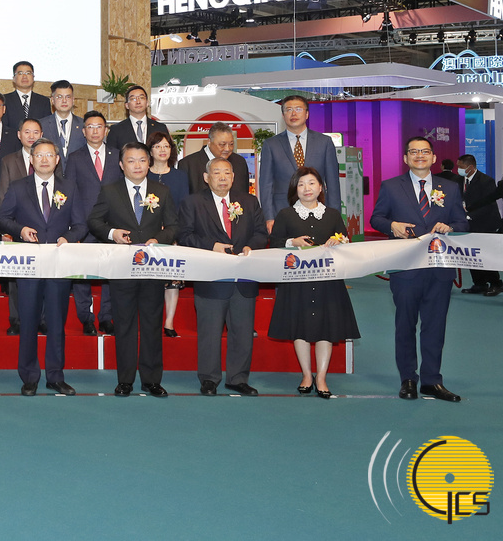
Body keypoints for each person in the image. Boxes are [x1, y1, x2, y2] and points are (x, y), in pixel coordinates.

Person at [370, 136, 468, 402]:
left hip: (439, 269)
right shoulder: (391, 186)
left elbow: (462, 223)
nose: (419, 155)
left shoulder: (450, 188)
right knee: (405, 325)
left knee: (435, 326)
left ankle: (432, 380)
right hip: (405, 269)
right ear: (406, 158)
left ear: (433, 157)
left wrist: (451, 227)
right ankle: (408, 379)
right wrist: (392, 226)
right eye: (414, 152)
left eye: (425, 151)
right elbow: (377, 218)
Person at [88, 141, 178, 398]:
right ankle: (125, 380)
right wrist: (112, 233)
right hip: (122, 270)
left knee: (152, 325)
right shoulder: (110, 191)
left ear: (149, 163)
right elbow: (93, 221)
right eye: (131, 160)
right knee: (125, 325)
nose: (137, 165)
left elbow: (174, 225)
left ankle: (152, 380)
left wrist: (159, 238)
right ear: (121, 164)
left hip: (152, 269)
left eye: (142, 160)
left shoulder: (162, 191)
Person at [0, 138, 87, 395]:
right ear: (31, 160)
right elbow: (3, 218)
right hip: (28, 267)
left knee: (57, 323)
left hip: (59, 266)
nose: (44, 159)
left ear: (57, 159)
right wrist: (21, 230)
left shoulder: (69, 187)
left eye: (49, 155)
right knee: (28, 322)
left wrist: (68, 238)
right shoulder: (18, 187)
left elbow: (81, 225)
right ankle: (29, 376)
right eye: (39, 155)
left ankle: (55, 376)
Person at [267, 166, 360, 399]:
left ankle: (321, 377)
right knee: (299, 327)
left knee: (325, 328)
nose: (306, 188)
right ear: (294, 189)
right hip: (296, 282)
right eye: (301, 184)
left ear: (320, 188)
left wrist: (339, 241)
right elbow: (274, 243)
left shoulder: (332, 215)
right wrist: (292, 242)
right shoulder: (285, 214)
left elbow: (345, 239)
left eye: (311, 183)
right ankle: (307, 375)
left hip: (327, 281)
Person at [178, 158, 268, 396]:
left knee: (242, 332)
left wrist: (250, 246)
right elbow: (185, 236)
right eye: (216, 173)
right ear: (206, 178)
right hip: (211, 278)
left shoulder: (249, 201)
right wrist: (212, 246)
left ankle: (238, 378)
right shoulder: (193, 202)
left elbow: (261, 232)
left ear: (233, 177)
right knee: (209, 333)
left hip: (243, 278)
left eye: (227, 173)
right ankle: (209, 379)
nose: (222, 177)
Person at [66, 110, 121, 336]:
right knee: (82, 274)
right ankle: (86, 318)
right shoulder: (75, 157)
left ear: (106, 130)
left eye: (99, 126)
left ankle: (106, 317)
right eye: (90, 127)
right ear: (83, 131)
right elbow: (70, 192)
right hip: (84, 224)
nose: (95, 131)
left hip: (111, 225)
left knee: (110, 273)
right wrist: (74, 224)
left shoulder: (118, 155)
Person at [257, 95, 340, 232]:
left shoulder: (324, 142)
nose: (293, 113)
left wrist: (334, 215)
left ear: (307, 114)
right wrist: (269, 217)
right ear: (283, 115)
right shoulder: (271, 145)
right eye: (288, 110)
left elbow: (333, 184)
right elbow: (266, 184)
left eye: (298, 109)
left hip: (318, 211)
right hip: (282, 211)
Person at [0, 118, 49, 336]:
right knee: (16, 277)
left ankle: (42, 319)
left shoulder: (50, 159)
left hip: (45, 228)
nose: (31, 136)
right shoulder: (9, 160)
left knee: (44, 275)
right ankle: (17, 320)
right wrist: (6, 230)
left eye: (35, 132)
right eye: (27, 132)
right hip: (17, 228)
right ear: (19, 135)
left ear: (41, 134)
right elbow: (3, 194)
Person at [146, 131, 190, 336]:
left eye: (166, 146)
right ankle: (152, 321)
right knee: (151, 279)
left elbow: (184, 206)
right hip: (148, 234)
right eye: (157, 146)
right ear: (150, 150)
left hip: (173, 232)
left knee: (173, 279)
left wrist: (174, 232)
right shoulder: (143, 174)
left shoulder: (180, 176)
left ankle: (169, 322)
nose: (162, 150)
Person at [458, 154, 502, 295]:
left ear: (470, 167)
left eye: (461, 167)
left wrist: (469, 215)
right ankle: (479, 284)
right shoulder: (459, 180)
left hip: (486, 223)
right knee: (471, 255)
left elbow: (488, 204)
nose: (458, 169)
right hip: (468, 224)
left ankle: (496, 283)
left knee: (486, 254)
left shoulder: (486, 180)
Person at [179, 121, 250, 195]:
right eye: (222, 144)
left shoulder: (239, 162)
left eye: (231, 144)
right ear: (209, 142)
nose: (227, 149)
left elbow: (244, 195)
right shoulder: (188, 164)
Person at [106, 85, 169, 152]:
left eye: (141, 98)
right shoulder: (116, 130)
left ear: (147, 103)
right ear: (127, 105)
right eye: (133, 99)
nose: (138, 102)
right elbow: (112, 155)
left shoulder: (160, 128)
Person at [40, 80, 85, 170]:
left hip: (78, 175)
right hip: (51, 175)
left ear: (73, 100)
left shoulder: (83, 125)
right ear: (52, 100)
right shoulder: (42, 125)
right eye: (59, 97)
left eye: (68, 97)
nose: (64, 101)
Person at [2, 61, 37, 130]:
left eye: (28, 73)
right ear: (14, 78)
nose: (24, 76)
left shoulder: (44, 101)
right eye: (20, 73)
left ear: (33, 77)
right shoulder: (4, 100)